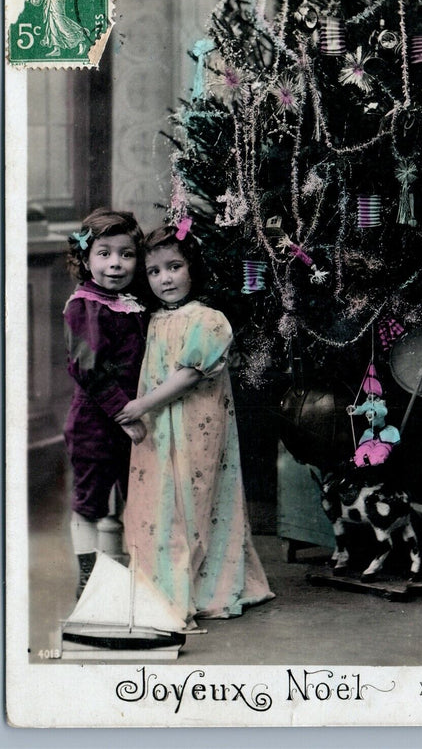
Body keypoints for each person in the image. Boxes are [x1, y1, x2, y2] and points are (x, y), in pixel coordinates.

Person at [115, 224, 274, 624]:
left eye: (174, 267)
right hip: (159, 426)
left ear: (192, 268)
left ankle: (204, 585)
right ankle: (162, 585)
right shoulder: (155, 319)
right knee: (160, 502)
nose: (165, 279)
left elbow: (188, 376)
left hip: (195, 425)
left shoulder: (209, 319)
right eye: (154, 271)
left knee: (195, 498)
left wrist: (140, 406)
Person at [64, 208, 148, 598]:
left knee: (136, 496)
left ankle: (133, 575)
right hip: (96, 423)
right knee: (90, 502)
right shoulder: (85, 305)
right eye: (104, 253)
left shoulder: (131, 302)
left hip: (132, 420)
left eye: (126, 254)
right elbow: (87, 368)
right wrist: (122, 412)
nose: (116, 263)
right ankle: (87, 579)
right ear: (85, 259)